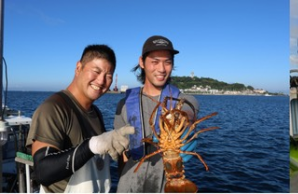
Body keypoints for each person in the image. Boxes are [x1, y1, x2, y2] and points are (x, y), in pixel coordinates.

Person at [27, 44, 135, 193]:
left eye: (108, 76)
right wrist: (92, 145)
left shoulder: (95, 112)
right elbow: (42, 172)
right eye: (96, 71)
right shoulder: (53, 108)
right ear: (78, 67)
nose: (101, 81)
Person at [115, 35, 200, 192]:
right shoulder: (124, 105)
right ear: (142, 62)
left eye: (167, 62)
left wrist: (186, 121)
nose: (161, 69)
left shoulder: (181, 99)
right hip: (129, 186)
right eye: (155, 61)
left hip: (165, 184)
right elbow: (122, 154)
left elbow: (191, 106)